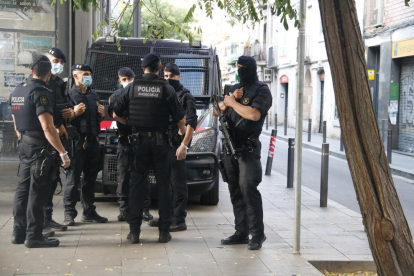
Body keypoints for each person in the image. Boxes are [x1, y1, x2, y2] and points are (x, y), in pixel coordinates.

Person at [113, 53, 186, 244]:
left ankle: (135, 232)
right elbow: (180, 119)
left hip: (137, 144)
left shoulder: (132, 88)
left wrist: (130, 124)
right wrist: (182, 136)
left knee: (137, 186)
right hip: (161, 144)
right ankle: (163, 232)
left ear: (142, 68)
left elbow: (115, 114)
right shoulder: (167, 89)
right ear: (160, 68)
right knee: (164, 187)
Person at [10, 55, 71, 248]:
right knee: (37, 192)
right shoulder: (40, 92)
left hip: (25, 144)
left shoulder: (18, 90)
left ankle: (18, 233)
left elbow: (15, 123)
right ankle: (34, 236)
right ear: (48, 73)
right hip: (39, 149)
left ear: (31, 70)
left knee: (22, 190)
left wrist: (23, 138)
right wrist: (62, 152)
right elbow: (48, 128)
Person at [214, 56, 272, 250]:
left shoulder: (261, 90)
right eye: (238, 67)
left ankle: (257, 234)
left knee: (248, 190)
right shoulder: (232, 89)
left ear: (252, 69)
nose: (240, 70)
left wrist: (232, 103)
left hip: (248, 149)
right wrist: (229, 100)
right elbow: (216, 111)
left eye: (243, 67)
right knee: (235, 191)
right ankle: (241, 232)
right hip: (230, 148)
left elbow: (254, 115)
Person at [148, 63, 197, 232]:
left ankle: (179, 220)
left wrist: (184, 145)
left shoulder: (186, 96)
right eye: (166, 76)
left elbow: (191, 122)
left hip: (177, 144)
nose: (168, 79)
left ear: (178, 76)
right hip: (164, 143)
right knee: (165, 184)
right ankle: (166, 217)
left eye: (172, 76)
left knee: (178, 184)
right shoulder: (164, 93)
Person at [63, 63, 108, 226]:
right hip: (76, 144)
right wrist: (75, 113)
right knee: (73, 180)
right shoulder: (68, 95)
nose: (88, 76)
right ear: (75, 76)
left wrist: (102, 116)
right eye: (84, 74)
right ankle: (69, 213)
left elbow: (95, 120)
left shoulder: (94, 95)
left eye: (89, 73)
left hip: (93, 143)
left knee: (90, 180)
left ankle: (89, 211)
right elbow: (61, 120)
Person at [108, 67, 153, 222]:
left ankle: (144, 209)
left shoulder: (140, 92)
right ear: (119, 80)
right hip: (124, 140)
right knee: (123, 177)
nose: (127, 82)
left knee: (142, 176)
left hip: (140, 140)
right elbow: (115, 114)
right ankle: (124, 210)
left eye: (130, 79)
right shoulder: (116, 95)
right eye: (124, 79)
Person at [42, 47, 78, 232]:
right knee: (43, 180)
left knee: (52, 179)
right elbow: (44, 110)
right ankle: (39, 222)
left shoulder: (60, 84)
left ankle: (47, 218)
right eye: (55, 61)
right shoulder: (41, 82)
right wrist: (58, 124)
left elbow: (65, 104)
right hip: (45, 137)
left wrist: (70, 112)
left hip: (58, 137)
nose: (58, 65)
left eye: (61, 63)